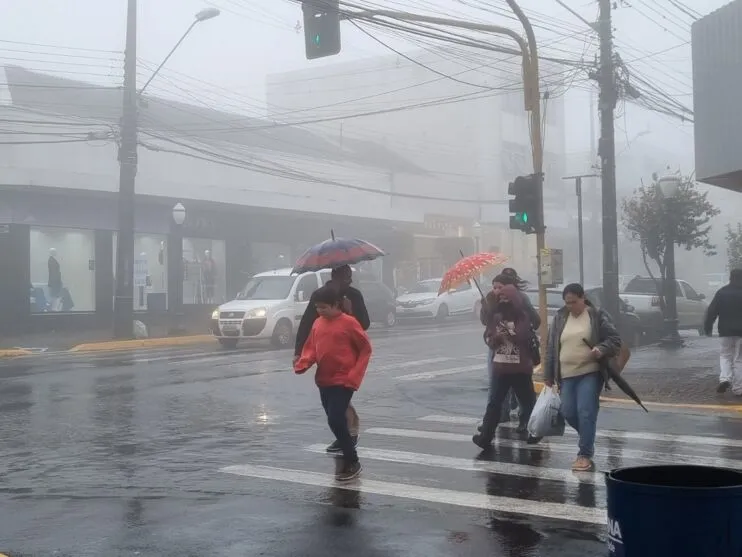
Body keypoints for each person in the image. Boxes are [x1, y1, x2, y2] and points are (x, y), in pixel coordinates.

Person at [294, 285, 372, 481]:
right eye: (317, 308)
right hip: (324, 379)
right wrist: (303, 362)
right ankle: (347, 438)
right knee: (333, 417)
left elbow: (365, 349)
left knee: (335, 419)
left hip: (343, 380)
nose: (320, 311)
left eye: (324, 308)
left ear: (336, 305)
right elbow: (312, 348)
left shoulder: (349, 323)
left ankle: (352, 460)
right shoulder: (318, 323)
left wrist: (354, 376)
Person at [543, 283, 621, 471]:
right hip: (567, 375)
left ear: (583, 297)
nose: (571, 306)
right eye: (567, 302)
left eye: (574, 302)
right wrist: (548, 373)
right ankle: (588, 436)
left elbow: (614, 340)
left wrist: (601, 349)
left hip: (590, 372)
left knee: (586, 411)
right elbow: (552, 346)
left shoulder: (596, 315)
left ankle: (584, 454)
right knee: (568, 412)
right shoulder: (561, 317)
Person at [473, 284, 540, 450]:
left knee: (528, 402)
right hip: (501, 368)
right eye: (501, 298)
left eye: (506, 298)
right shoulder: (496, 316)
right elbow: (489, 339)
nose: (503, 301)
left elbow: (522, 335)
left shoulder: (522, 316)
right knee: (494, 403)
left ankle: (535, 432)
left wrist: (507, 332)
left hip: (520, 369)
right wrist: (496, 337)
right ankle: (485, 437)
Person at [479, 269, 540, 422]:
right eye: (494, 287)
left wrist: (517, 331)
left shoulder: (520, 299)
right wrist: (486, 307)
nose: (497, 291)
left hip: (518, 351)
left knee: (521, 390)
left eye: (500, 287)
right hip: (498, 349)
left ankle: (525, 420)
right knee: (496, 387)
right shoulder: (492, 299)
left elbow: (534, 320)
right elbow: (486, 322)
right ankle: (499, 416)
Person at [704, 268, 742, 395]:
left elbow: (711, 311)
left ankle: (725, 378)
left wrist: (708, 327)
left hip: (725, 331)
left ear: (730, 278)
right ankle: (738, 388)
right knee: (739, 359)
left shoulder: (721, 292)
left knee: (725, 356)